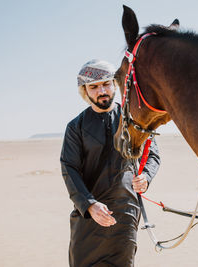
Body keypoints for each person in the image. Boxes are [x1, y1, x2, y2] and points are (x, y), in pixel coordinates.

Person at [60, 59, 160, 267]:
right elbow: (69, 169)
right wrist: (89, 205)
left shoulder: (134, 120)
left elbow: (152, 155)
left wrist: (146, 177)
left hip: (125, 212)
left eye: (106, 83)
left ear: (115, 84)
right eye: (94, 87)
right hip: (87, 215)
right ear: (85, 91)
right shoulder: (76, 127)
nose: (101, 91)